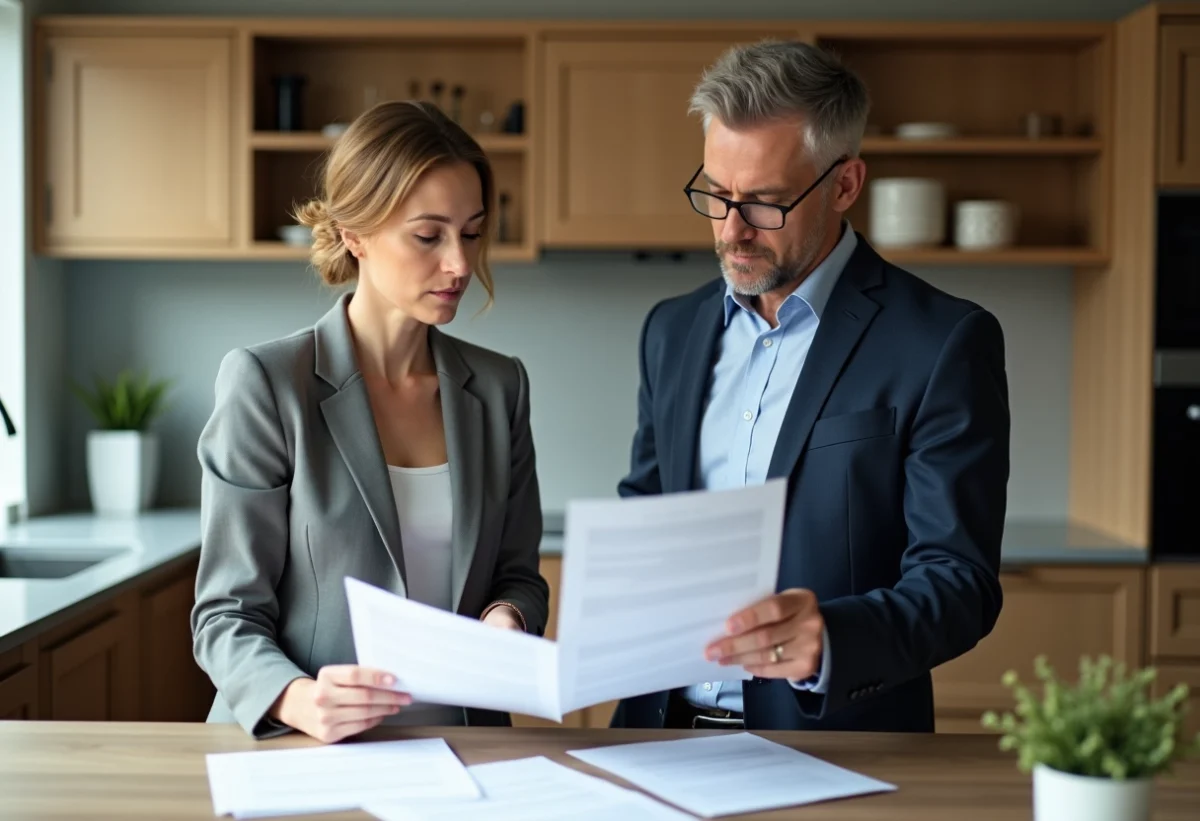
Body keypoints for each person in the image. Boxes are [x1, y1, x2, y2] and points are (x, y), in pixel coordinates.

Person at [609, 40, 1010, 733]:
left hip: (834, 748)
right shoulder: (671, 330)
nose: (732, 229)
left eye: (765, 203)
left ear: (845, 184)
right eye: (716, 194)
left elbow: (959, 582)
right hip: (655, 734)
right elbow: (649, 509)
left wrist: (831, 639)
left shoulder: (944, 341)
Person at [191, 101, 550, 743]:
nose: (460, 264)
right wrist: (298, 699)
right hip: (305, 749)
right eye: (428, 236)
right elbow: (224, 615)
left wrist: (507, 619)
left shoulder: (500, 388)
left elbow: (518, 575)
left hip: (467, 746)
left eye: (471, 233)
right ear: (354, 234)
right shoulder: (268, 384)